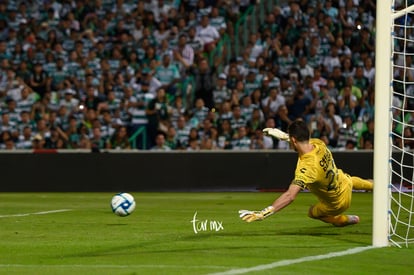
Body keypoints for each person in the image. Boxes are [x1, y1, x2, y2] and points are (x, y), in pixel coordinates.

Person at [239, 120, 373, 227]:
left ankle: (344, 220)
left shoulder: (307, 168)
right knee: (357, 181)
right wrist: (284, 136)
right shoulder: (318, 143)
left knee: (312, 213)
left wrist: (263, 213)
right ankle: (382, 185)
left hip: (336, 204)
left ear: (293, 140)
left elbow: (290, 196)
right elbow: (301, 140)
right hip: (345, 182)